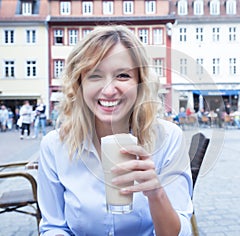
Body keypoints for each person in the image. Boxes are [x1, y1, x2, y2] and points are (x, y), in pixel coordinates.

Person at [37, 25, 193, 235]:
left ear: (140, 82)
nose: (109, 90)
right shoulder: (55, 146)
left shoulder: (168, 138)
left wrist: (156, 193)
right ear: (79, 83)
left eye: (122, 76)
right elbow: (54, 227)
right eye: (94, 75)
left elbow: (180, 232)